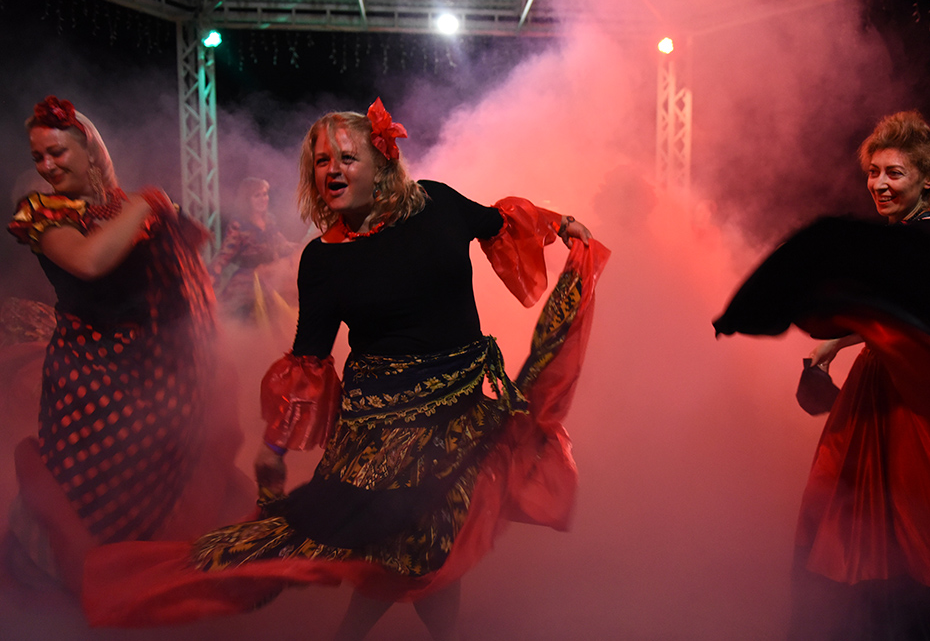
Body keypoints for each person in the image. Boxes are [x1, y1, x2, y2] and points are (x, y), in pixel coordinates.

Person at [83, 98, 609, 640]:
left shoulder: (439, 203)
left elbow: (500, 221)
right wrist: (275, 446)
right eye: (321, 161)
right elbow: (309, 360)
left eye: (347, 158)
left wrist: (562, 223)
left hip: (460, 410)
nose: (332, 169)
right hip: (380, 430)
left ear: (381, 164)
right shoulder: (323, 259)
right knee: (402, 540)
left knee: (429, 539)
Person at [714, 111, 930, 639]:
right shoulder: (911, 244)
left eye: (894, 173)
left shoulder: (928, 241)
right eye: (873, 172)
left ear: (929, 180)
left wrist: (823, 324)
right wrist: (837, 340)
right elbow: (896, 304)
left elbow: (913, 305)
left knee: (912, 541)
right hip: (887, 398)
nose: (879, 184)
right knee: (876, 537)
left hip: (917, 416)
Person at [5, 96, 251, 596]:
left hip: (150, 376)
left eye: (57, 152)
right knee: (92, 498)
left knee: (180, 472)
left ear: (90, 150)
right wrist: (149, 203)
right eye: (38, 157)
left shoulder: (125, 208)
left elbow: (180, 276)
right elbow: (90, 262)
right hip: (89, 384)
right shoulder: (43, 213)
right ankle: (90, 595)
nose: (47, 166)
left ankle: (158, 597)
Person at [209, 177, 299, 322]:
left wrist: (306, 246)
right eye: (257, 195)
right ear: (247, 200)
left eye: (265, 194)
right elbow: (224, 255)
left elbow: (282, 244)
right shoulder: (238, 224)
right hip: (248, 284)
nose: (263, 199)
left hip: (271, 279)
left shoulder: (269, 220)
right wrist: (211, 277)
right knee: (239, 322)